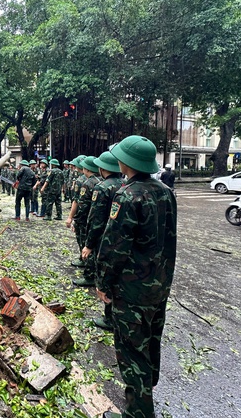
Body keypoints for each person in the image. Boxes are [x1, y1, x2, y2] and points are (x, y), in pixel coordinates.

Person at [95, 135, 177, 418]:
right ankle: (147, 390)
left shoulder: (127, 195)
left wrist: (103, 282)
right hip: (159, 285)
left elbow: (114, 245)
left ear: (125, 162)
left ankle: (138, 412)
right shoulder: (166, 191)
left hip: (131, 289)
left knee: (131, 350)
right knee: (151, 339)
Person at [81, 151, 124, 328]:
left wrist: (89, 244)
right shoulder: (125, 184)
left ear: (102, 168)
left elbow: (96, 220)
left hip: (104, 239)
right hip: (121, 239)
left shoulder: (102, 187)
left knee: (105, 277)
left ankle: (109, 318)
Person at [71, 156, 101, 287]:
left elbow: (81, 204)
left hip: (87, 220)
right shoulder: (100, 181)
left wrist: (75, 219)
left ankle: (89, 274)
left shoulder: (87, 183)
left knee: (86, 245)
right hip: (98, 221)